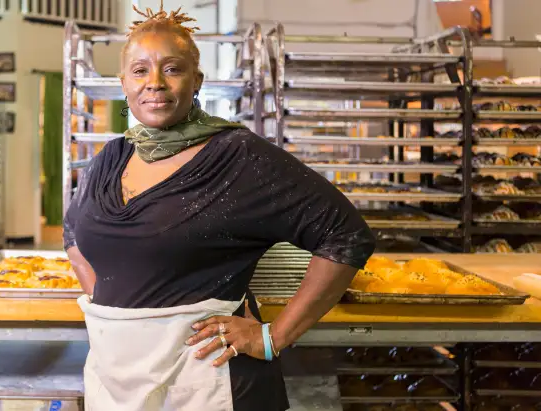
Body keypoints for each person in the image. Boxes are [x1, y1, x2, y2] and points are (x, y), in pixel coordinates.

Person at [63, 3, 376, 410]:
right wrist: (119, 314)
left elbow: (347, 235)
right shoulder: (112, 157)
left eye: (172, 69)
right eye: (140, 70)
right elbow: (73, 232)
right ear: (123, 82)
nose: (154, 83)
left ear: (197, 80)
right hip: (119, 374)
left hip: (211, 378)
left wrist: (272, 336)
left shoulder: (240, 157)